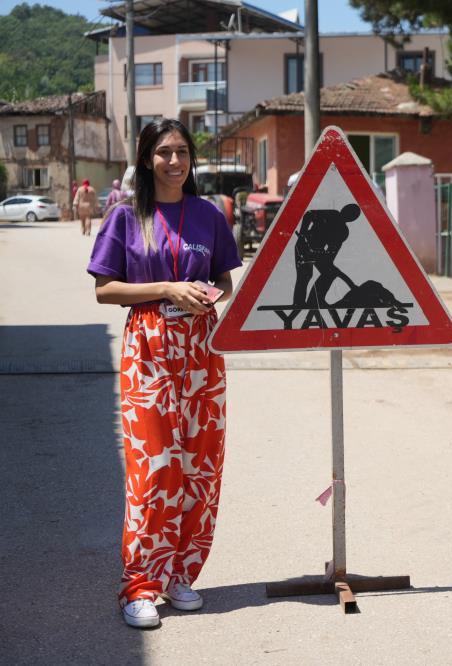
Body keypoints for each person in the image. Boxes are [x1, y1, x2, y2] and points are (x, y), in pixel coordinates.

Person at [86, 118, 242, 628]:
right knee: (153, 469)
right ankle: (139, 585)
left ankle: (180, 572)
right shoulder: (126, 217)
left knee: (199, 468)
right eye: (163, 152)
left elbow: (224, 276)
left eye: (182, 152)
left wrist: (210, 295)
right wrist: (167, 289)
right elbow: (105, 290)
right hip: (149, 348)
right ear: (146, 158)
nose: (174, 162)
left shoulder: (210, 214)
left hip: (202, 349)